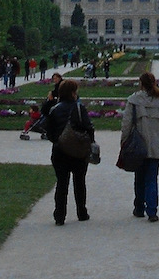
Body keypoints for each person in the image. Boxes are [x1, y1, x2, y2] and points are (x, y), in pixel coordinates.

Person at [122, 72, 159, 222]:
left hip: (139, 145)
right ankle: (152, 211)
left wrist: (124, 141)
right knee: (152, 179)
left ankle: (139, 208)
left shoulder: (134, 100)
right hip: (156, 145)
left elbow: (126, 124)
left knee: (139, 178)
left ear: (141, 83)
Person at [43, 79, 93, 225]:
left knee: (62, 184)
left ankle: (59, 215)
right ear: (72, 93)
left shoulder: (55, 109)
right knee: (79, 182)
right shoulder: (79, 108)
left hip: (60, 151)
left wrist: (59, 141)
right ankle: (81, 212)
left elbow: (49, 131)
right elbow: (89, 128)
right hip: (78, 151)